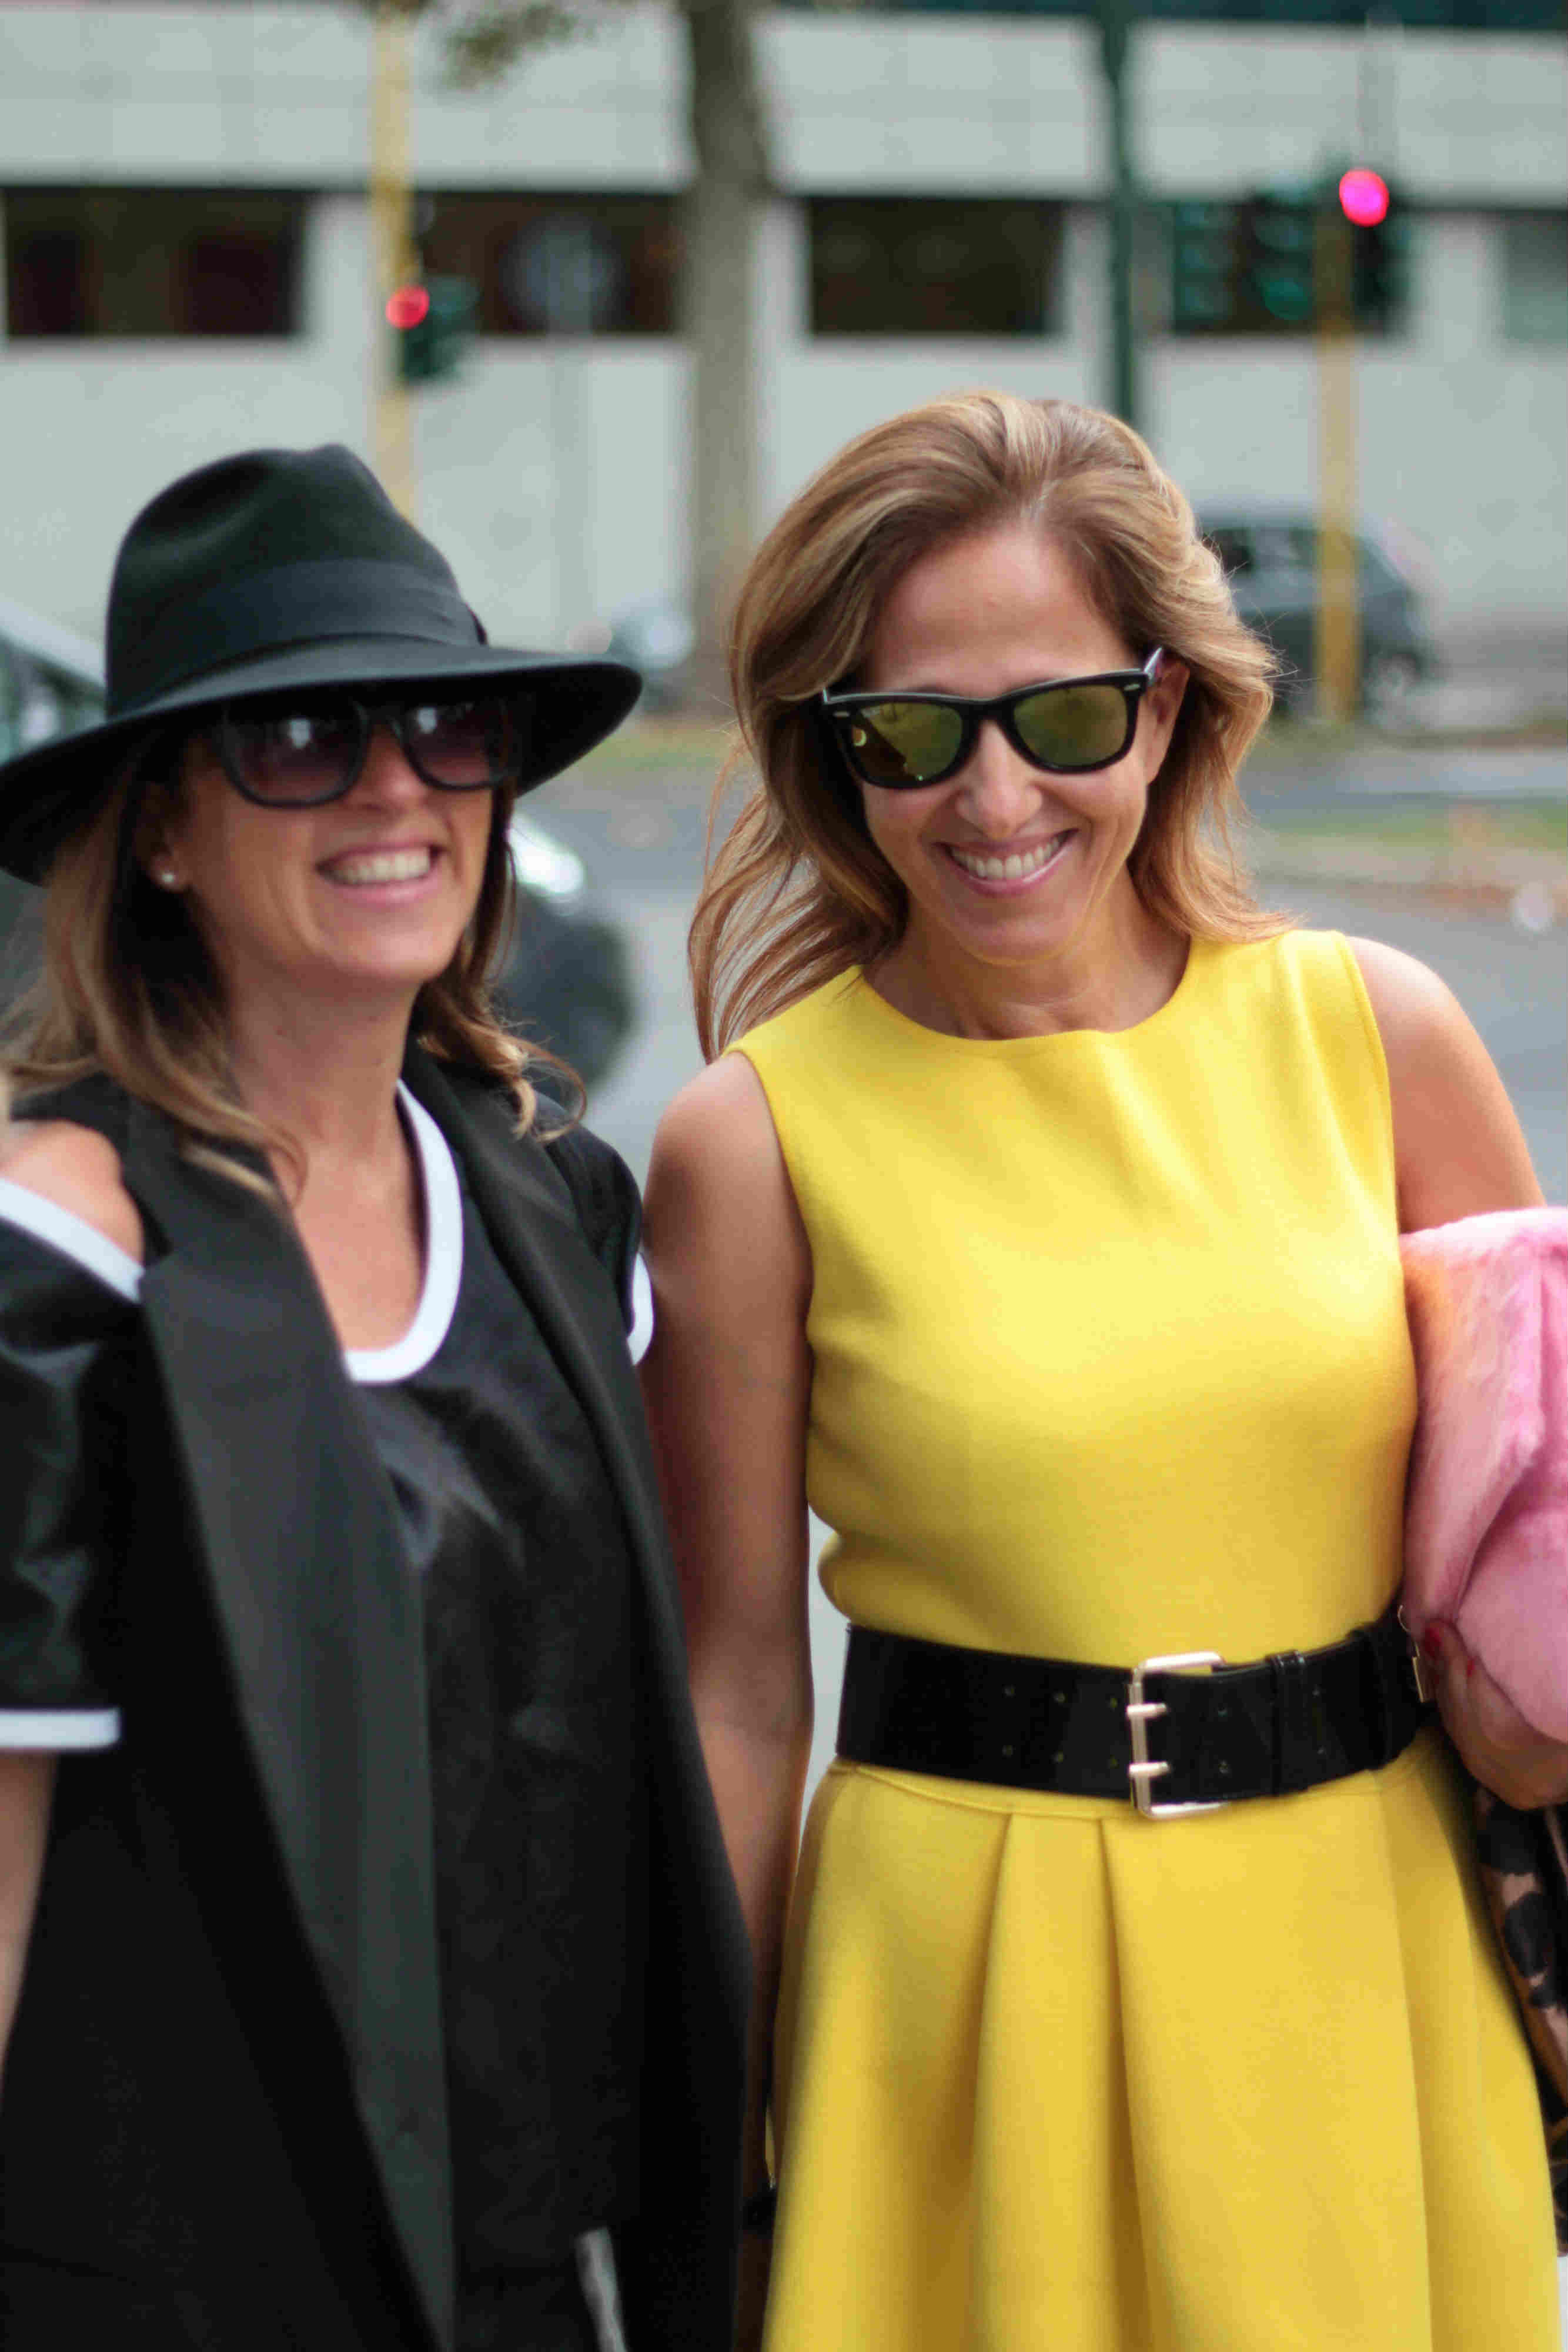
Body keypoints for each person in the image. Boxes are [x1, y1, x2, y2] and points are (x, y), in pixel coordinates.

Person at [637, 391, 1566, 2351]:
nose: (993, 802)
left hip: (1366, 1961)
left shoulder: (1378, 1037)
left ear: (1167, 707)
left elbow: (1538, 1560)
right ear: (831, 754)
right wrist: (711, 2150)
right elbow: (735, 1688)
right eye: (908, 735)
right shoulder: (750, 1144)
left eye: (1060, 717)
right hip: (965, 2003)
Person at [0, 446, 748, 2352]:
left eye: (445, 729)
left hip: (518, 2270)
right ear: (161, 834)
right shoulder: (58, 1254)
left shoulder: (556, 1204)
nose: (397, 785)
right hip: (160, 2284)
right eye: (298, 740)